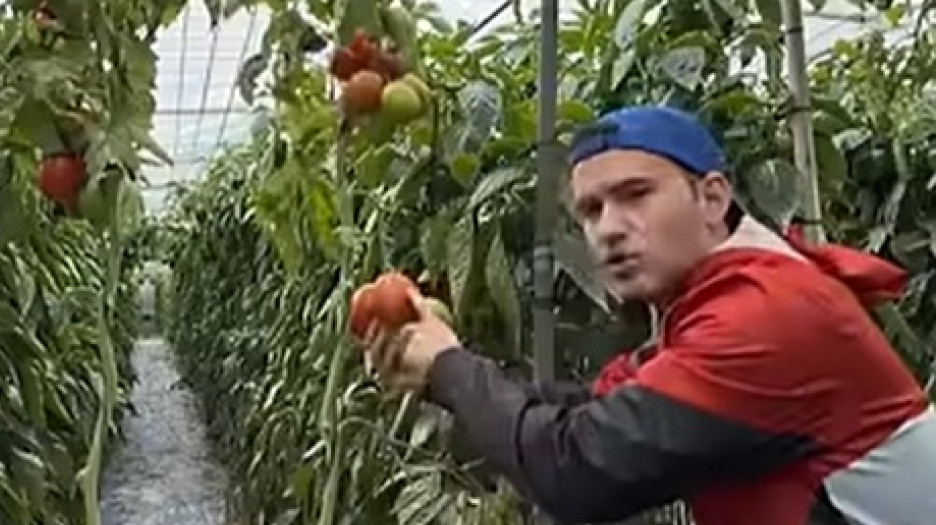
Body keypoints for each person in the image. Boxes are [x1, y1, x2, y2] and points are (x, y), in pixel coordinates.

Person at [359, 105, 936, 525]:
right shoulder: (728, 300)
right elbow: (598, 411)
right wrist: (443, 373)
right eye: (590, 210)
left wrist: (451, 368)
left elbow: (576, 472)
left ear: (712, 198)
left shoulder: (764, 318)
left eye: (635, 194)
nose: (608, 228)